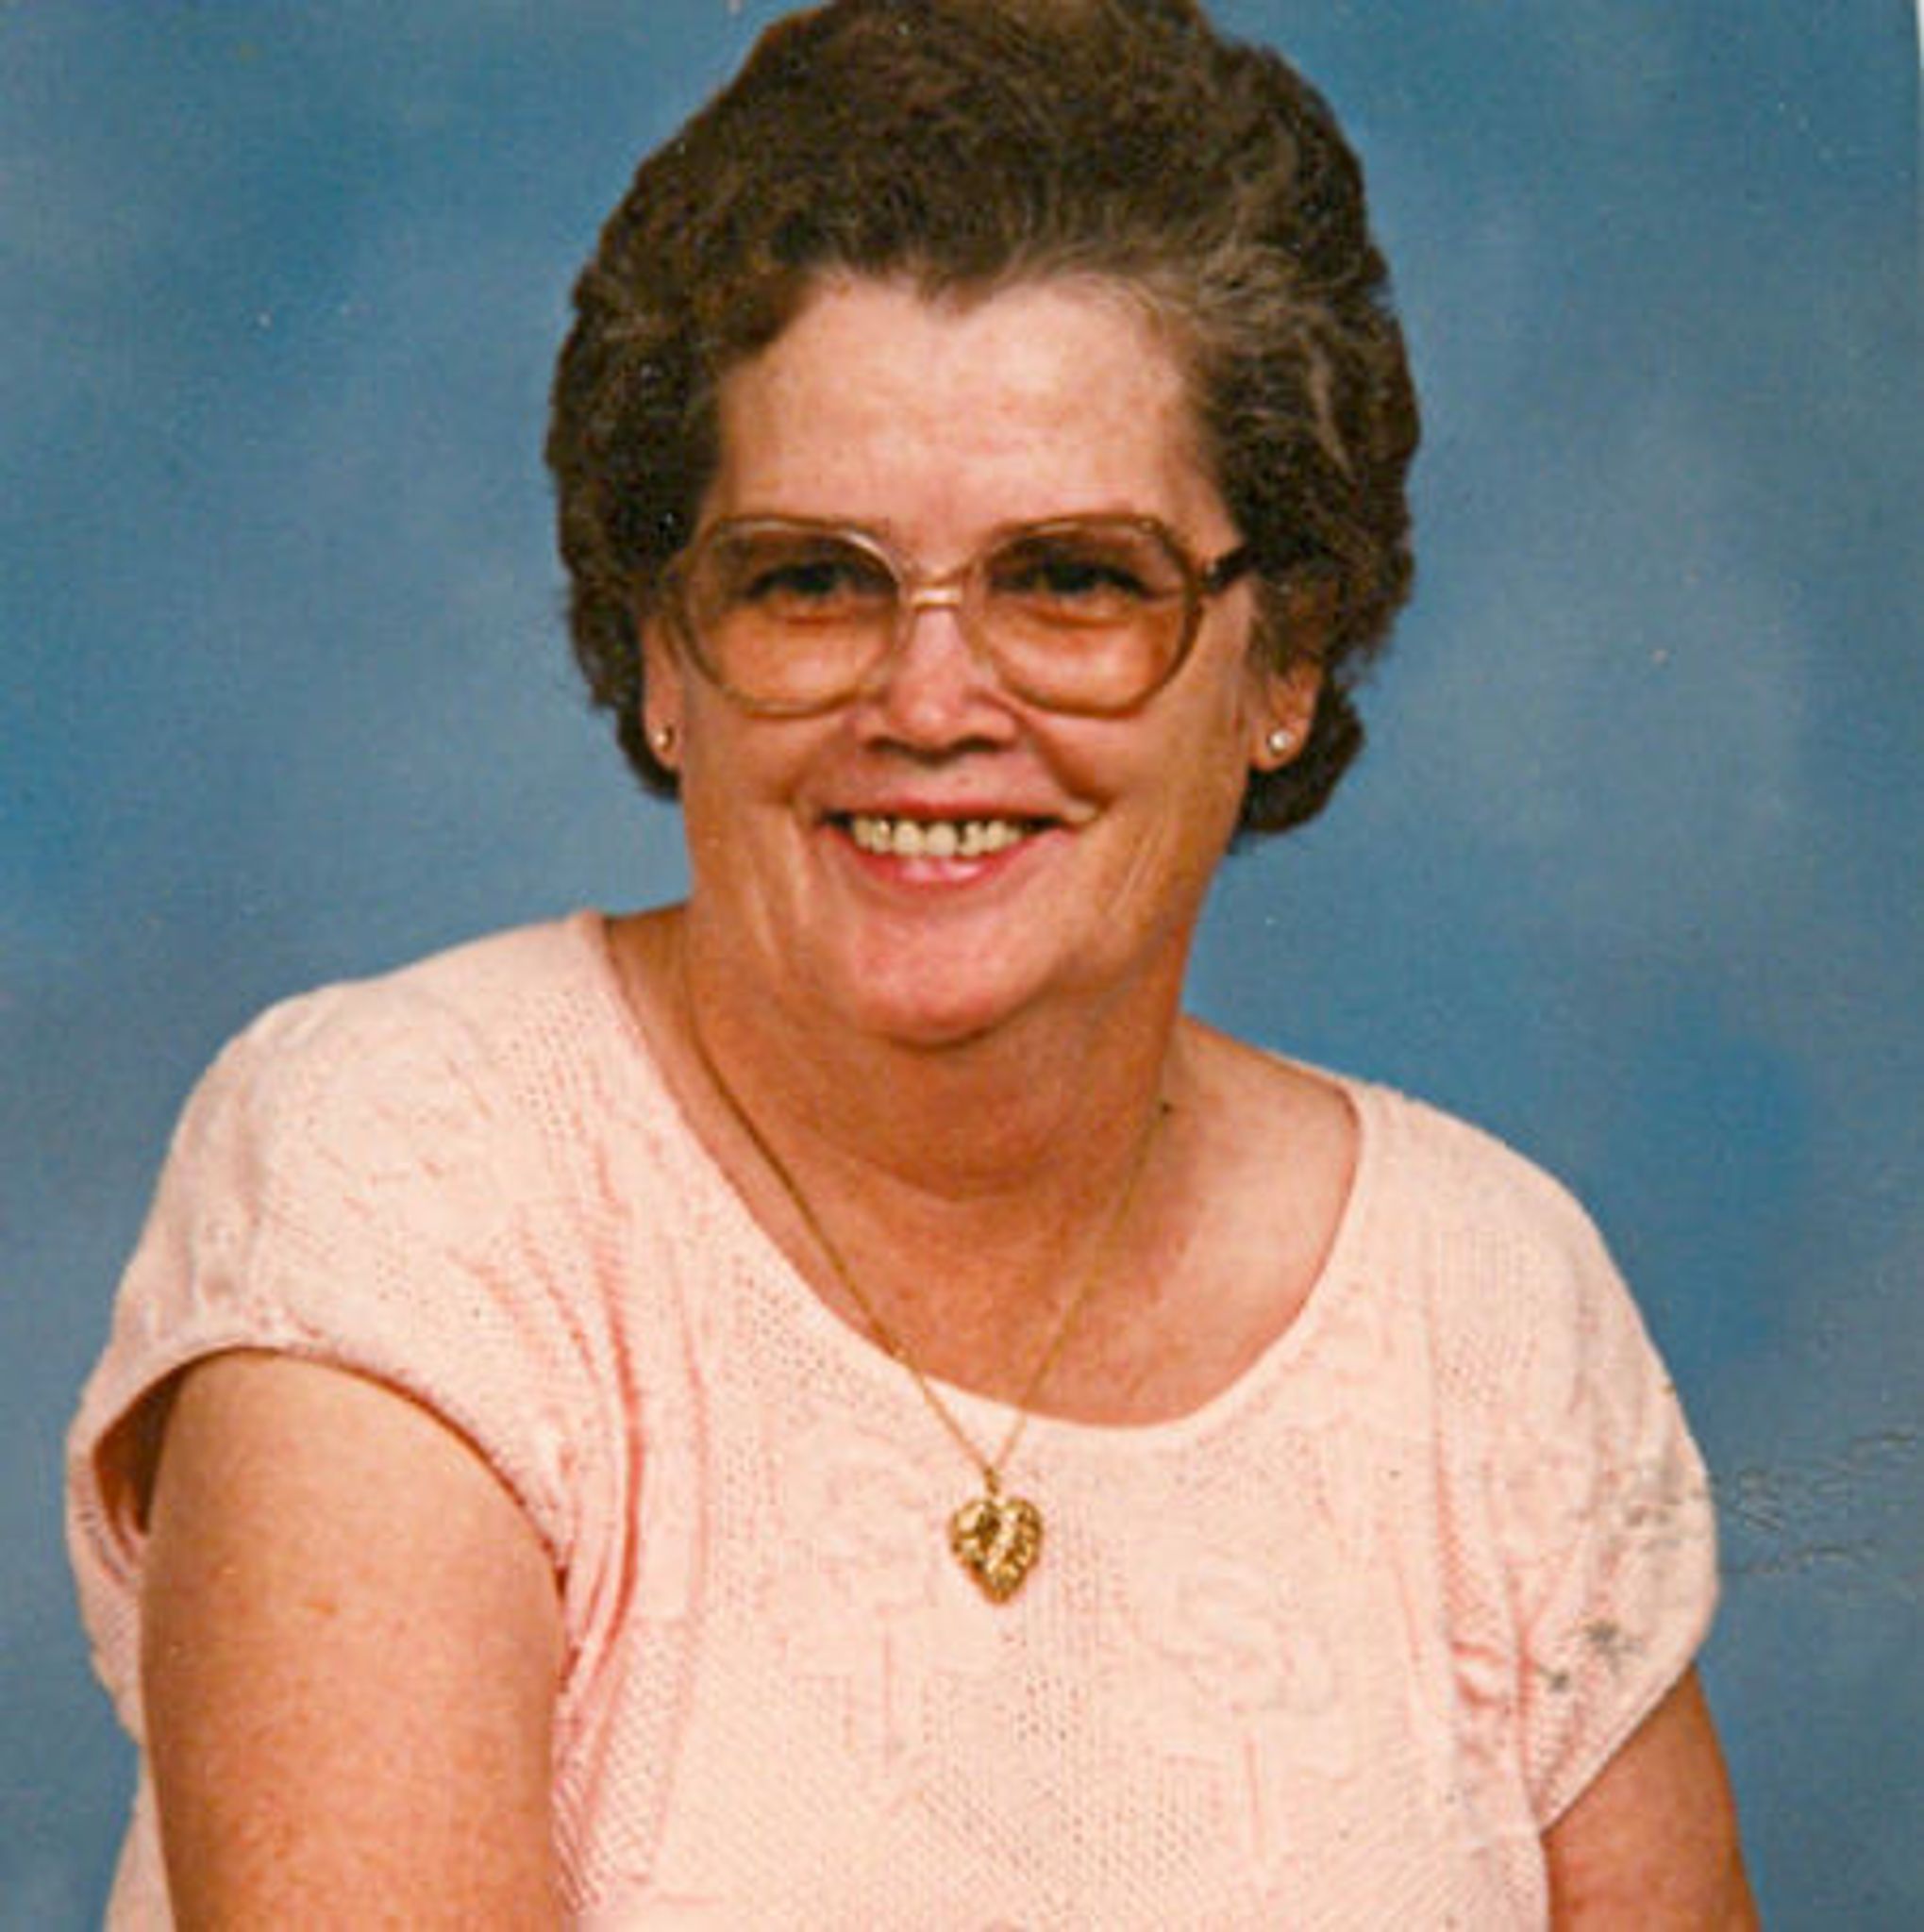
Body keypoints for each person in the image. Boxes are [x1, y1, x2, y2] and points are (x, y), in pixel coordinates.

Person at [67, 1, 1755, 1923]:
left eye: (1074, 580)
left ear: (1284, 658)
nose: (932, 702)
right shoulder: (406, 1177)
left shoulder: (1489, 1301)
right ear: (665, 653)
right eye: (810, 581)